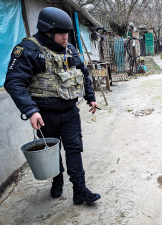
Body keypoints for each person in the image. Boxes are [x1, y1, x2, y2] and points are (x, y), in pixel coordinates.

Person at [4, 7, 101, 205]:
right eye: (62, 33)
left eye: (68, 33)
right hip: (45, 115)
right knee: (53, 152)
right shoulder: (29, 50)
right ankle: (57, 181)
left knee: (74, 149)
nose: (66, 37)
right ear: (48, 31)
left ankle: (80, 190)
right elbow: (14, 82)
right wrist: (30, 111)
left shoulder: (70, 49)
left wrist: (91, 97)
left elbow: (83, 74)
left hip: (70, 111)